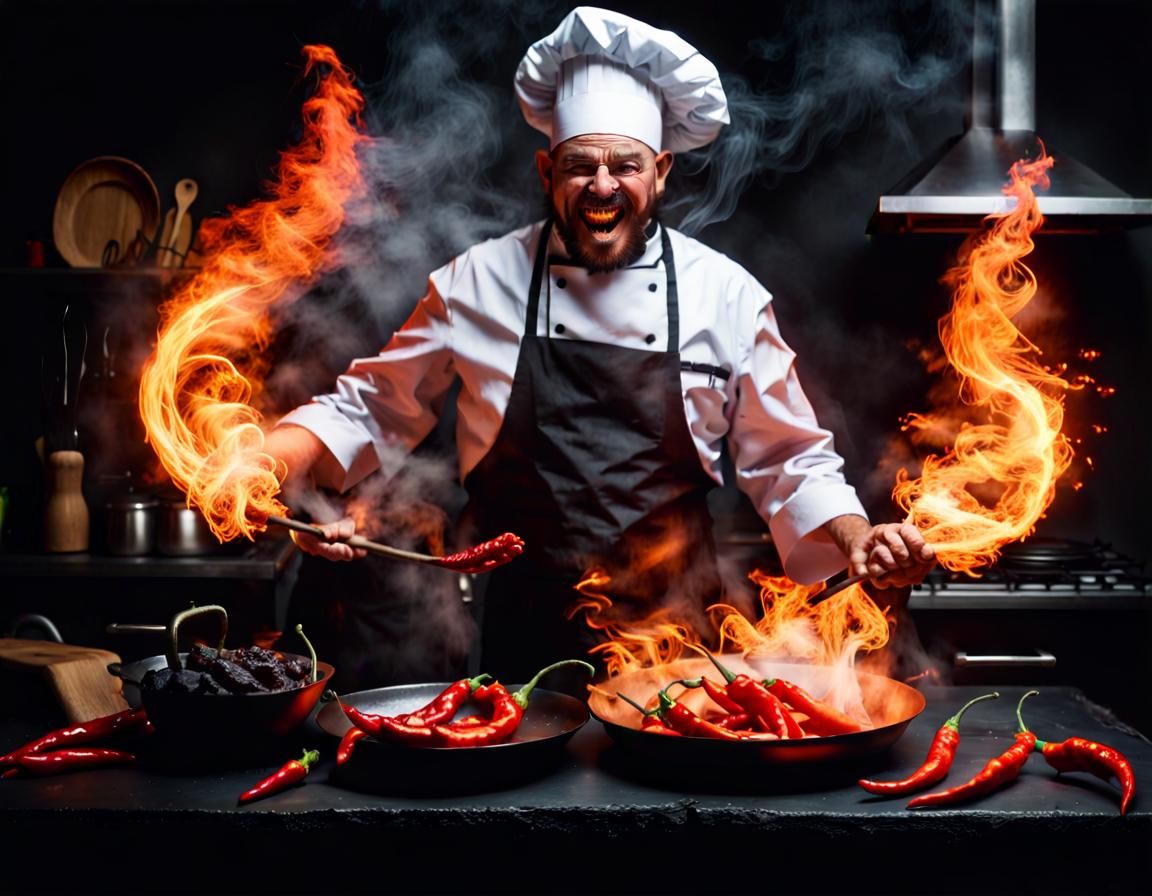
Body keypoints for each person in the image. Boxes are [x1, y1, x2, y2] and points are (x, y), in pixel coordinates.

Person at [263, 7, 935, 690]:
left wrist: (857, 539)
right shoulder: (478, 282)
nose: (604, 186)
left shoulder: (724, 296)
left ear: (662, 171)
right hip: (521, 644)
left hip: (680, 648)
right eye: (581, 165)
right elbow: (373, 409)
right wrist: (265, 461)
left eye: (626, 165)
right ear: (546, 169)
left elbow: (791, 460)